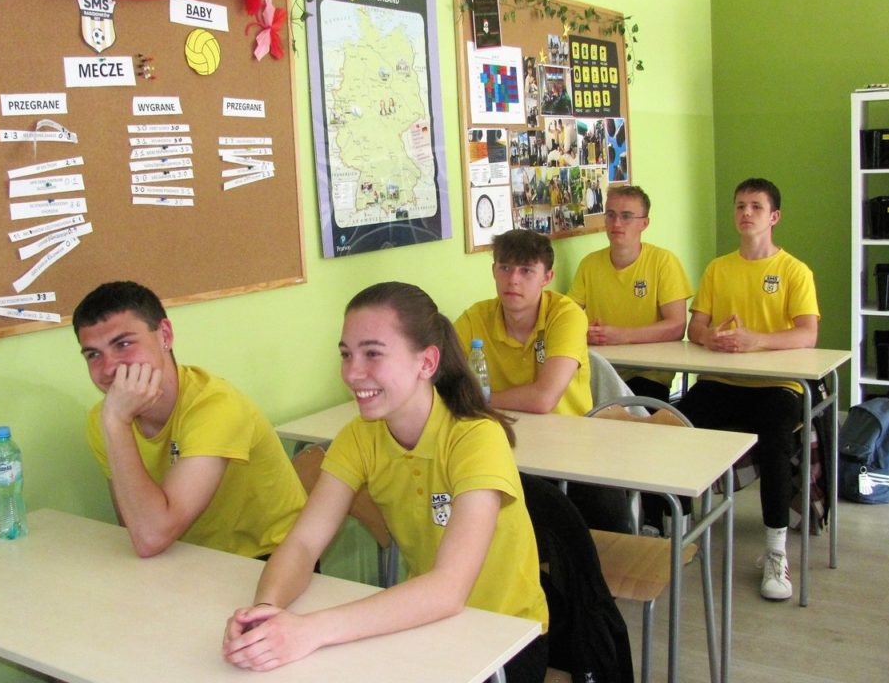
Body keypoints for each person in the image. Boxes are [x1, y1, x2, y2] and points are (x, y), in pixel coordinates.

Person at [222, 282, 549, 681]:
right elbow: (304, 543)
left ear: (426, 363)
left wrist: (311, 630)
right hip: (419, 624)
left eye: (372, 353)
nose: (352, 372)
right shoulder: (360, 437)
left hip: (503, 639)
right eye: (346, 354)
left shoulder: (476, 438)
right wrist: (266, 613)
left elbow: (449, 589)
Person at [73, 281, 305, 558]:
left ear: (165, 335)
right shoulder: (106, 418)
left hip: (271, 558)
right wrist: (116, 422)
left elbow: (150, 537)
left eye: (123, 344)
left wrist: (116, 423)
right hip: (183, 556)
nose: (109, 368)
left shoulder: (216, 407)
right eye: (93, 355)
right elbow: (136, 525)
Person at [677, 178, 820, 601]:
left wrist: (757, 340)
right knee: (673, 425)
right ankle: (679, 529)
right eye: (740, 205)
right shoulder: (718, 268)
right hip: (721, 380)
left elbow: (807, 334)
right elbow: (696, 326)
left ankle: (776, 550)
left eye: (756, 206)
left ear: (774, 216)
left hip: (777, 385)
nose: (746, 213)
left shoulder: (794, 270)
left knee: (774, 442)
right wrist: (711, 338)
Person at [453, 230, 630, 533]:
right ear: (493, 271)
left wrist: (480, 399)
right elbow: (441, 379)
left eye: (526, 271)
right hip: (504, 443)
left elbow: (543, 399)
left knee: (604, 513)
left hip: (572, 447)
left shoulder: (565, 315)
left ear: (547, 277)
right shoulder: (475, 318)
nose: (513, 280)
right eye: (505, 268)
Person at [567, 185, 692, 402]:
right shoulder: (589, 264)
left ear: (644, 223)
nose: (616, 223)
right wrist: (584, 332)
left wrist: (621, 336)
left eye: (626, 216)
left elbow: (676, 326)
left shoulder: (663, 262)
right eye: (611, 215)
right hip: (600, 369)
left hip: (648, 373)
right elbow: (568, 315)